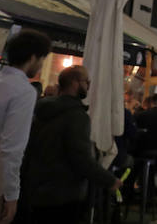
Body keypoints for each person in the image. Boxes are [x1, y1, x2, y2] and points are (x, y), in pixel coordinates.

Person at [19, 65, 122, 223]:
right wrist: (109, 180)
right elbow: (81, 157)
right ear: (75, 83)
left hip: (34, 189)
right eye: (86, 81)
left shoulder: (41, 110)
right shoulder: (77, 116)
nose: (88, 85)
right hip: (63, 192)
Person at [0, 28, 51, 224]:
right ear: (32, 58)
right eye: (42, 59)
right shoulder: (24, 92)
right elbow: (11, 148)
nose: (40, 65)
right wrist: (11, 194)